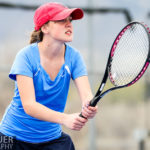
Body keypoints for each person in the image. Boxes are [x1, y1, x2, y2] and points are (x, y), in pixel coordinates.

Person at [0, 2, 97, 150]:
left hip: (52, 139)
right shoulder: (25, 57)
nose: (69, 24)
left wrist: (88, 106)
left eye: (70, 20)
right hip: (12, 138)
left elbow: (86, 95)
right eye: (61, 20)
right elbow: (30, 106)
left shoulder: (75, 57)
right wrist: (65, 119)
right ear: (44, 28)